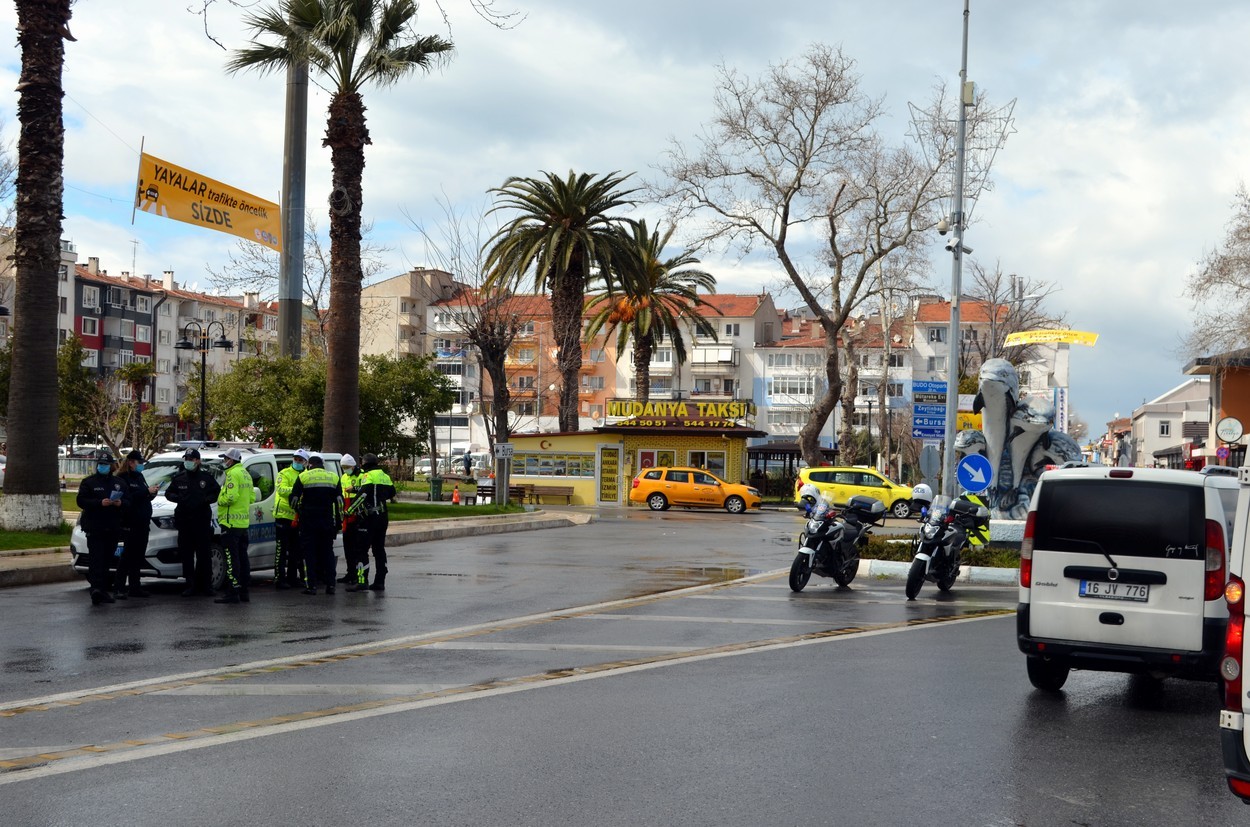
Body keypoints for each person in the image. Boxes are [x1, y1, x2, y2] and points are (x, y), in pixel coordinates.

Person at [165, 447, 222, 596]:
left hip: (202, 522)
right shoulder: (179, 478)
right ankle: (190, 584)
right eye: (186, 459)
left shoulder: (206, 478)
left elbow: (216, 492)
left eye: (191, 460)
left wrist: (206, 500)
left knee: (204, 555)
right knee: (187, 556)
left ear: (198, 461)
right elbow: (169, 493)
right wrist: (178, 498)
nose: (188, 462)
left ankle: (207, 586)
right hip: (185, 523)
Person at [76, 449, 128, 605]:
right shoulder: (89, 482)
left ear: (111, 466)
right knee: (96, 560)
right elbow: (81, 501)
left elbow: (128, 502)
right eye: (101, 464)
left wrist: (121, 503)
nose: (103, 466)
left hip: (112, 528)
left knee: (106, 561)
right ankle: (96, 589)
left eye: (106, 464)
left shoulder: (119, 483)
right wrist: (99, 503)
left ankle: (103, 590)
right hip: (95, 528)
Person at [290, 452, 342, 595]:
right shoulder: (333, 477)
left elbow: (293, 499)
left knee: (309, 554)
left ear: (310, 465)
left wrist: (299, 511)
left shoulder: (303, 477)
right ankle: (331, 585)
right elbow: (340, 502)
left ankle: (311, 586)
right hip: (326, 520)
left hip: (308, 521)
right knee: (328, 553)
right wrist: (338, 523)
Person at [215, 447, 256, 604]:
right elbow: (251, 497)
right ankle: (244, 591)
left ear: (231, 460)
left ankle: (232, 592)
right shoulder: (246, 474)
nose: (224, 462)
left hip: (230, 522)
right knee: (243, 558)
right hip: (243, 523)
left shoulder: (232, 474)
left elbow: (231, 497)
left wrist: (220, 500)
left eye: (225, 459)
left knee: (232, 559)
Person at [114, 450, 157, 598]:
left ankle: (135, 586)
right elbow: (128, 498)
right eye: (139, 463)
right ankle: (119, 587)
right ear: (131, 462)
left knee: (138, 556)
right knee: (127, 556)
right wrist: (146, 491)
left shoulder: (139, 476)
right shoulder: (122, 478)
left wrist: (151, 493)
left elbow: (143, 497)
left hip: (142, 523)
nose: (141, 466)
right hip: (130, 522)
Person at [358, 452, 397, 591]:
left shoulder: (368, 476)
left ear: (366, 463)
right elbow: (392, 492)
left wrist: (349, 511)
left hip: (370, 517)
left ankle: (362, 581)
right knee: (379, 549)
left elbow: (362, 495)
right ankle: (380, 581)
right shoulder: (384, 475)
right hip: (383, 516)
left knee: (362, 549)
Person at [273, 449, 308, 589]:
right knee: (281, 550)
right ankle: (279, 579)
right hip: (283, 517)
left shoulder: (306, 475)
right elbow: (281, 490)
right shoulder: (284, 473)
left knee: (296, 550)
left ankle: (292, 578)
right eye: (296, 459)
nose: (297, 462)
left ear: (305, 462)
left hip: (298, 517)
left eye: (300, 460)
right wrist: (297, 490)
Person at [338, 454, 371, 591]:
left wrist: (355, 489)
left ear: (353, 465)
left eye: (347, 467)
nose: (345, 470)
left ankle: (359, 576)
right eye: (343, 467)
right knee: (348, 547)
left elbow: (366, 491)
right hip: (346, 513)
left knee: (358, 548)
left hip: (358, 514)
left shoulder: (362, 475)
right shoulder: (344, 477)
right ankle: (350, 573)